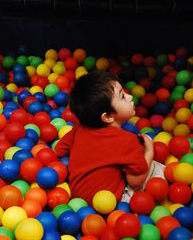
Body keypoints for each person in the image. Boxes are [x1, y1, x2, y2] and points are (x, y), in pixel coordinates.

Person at [54, 70, 164, 205]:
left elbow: (59, 150)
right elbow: (135, 181)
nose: (130, 97)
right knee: (156, 168)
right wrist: (149, 152)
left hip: (77, 202)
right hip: (112, 204)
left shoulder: (79, 127)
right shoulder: (127, 141)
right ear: (107, 117)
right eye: (122, 96)